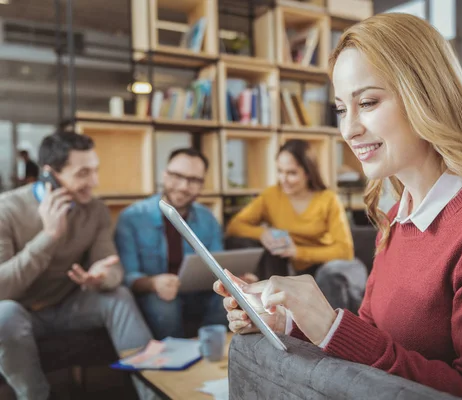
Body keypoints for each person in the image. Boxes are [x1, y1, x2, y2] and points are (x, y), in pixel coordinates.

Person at [215, 13, 462, 400]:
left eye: (368, 102)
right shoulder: (397, 217)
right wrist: (290, 321)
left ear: (426, 95)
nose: (348, 129)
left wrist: (330, 325)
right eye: (341, 109)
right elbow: (376, 337)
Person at [0, 132, 157, 400]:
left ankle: (154, 393)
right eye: (83, 173)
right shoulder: (7, 210)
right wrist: (48, 236)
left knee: (118, 296)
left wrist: (102, 277)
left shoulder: (95, 210)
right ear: (49, 174)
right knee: (3, 314)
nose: (94, 182)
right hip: (22, 310)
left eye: (95, 171)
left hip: (69, 305)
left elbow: (113, 267)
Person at [225, 139, 367, 313]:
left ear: (308, 173)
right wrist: (263, 233)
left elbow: (345, 251)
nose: (283, 179)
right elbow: (234, 226)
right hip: (295, 269)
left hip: (331, 265)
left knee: (328, 275)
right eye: (280, 171)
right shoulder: (272, 196)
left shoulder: (328, 199)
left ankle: (337, 335)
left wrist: (297, 252)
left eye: (291, 173)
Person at [115, 148, 227, 340]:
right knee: (165, 304)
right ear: (164, 175)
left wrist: (235, 279)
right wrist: (152, 283)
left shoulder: (208, 218)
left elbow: (218, 266)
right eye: (177, 176)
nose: (184, 186)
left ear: (202, 184)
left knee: (229, 299)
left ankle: (213, 358)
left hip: (198, 293)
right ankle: (174, 364)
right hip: (155, 295)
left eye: (194, 180)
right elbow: (127, 276)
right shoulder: (132, 218)